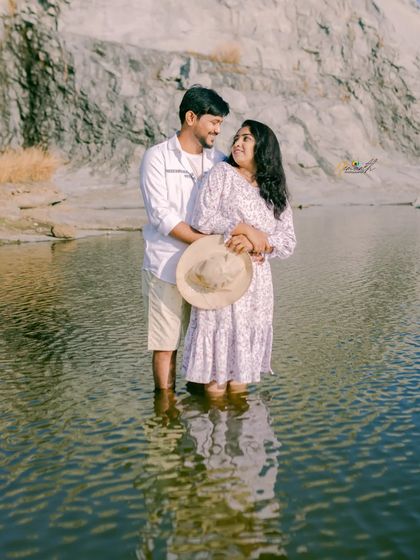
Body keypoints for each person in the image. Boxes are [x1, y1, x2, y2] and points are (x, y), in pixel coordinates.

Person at [181, 120, 297, 397]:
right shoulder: (222, 173)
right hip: (224, 274)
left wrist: (259, 243)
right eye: (237, 137)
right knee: (217, 375)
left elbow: (288, 241)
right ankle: (212, 436)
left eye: (247, 138)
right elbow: (202, 219)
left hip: (256, 285)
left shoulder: (274, 191)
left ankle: (241, 435)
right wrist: (242, 228)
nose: (238, 143)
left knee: (240, 376)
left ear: (263, 148)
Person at [139, 85, 230, 391]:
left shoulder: (220, 161)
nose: (218, 129)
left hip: (206, 268)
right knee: (166, 345)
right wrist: (201, 241)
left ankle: (197, 414)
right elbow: (161, 215)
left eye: (220, 124)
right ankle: (165, 413)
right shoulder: (157, 158)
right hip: (165, 265)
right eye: (213, 122)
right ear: (191, 117)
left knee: (202, 342)